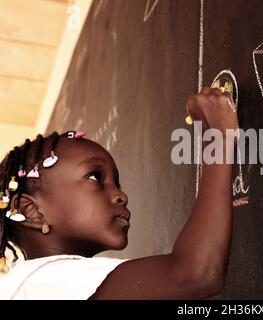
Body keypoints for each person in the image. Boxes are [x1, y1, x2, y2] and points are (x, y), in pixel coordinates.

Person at [0, 87, 237, 299]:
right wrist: (219, 138)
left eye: (117, 182)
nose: (120, 195)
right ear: (31, 211)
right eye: (95, 177)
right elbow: (196, 273)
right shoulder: (42, 283)